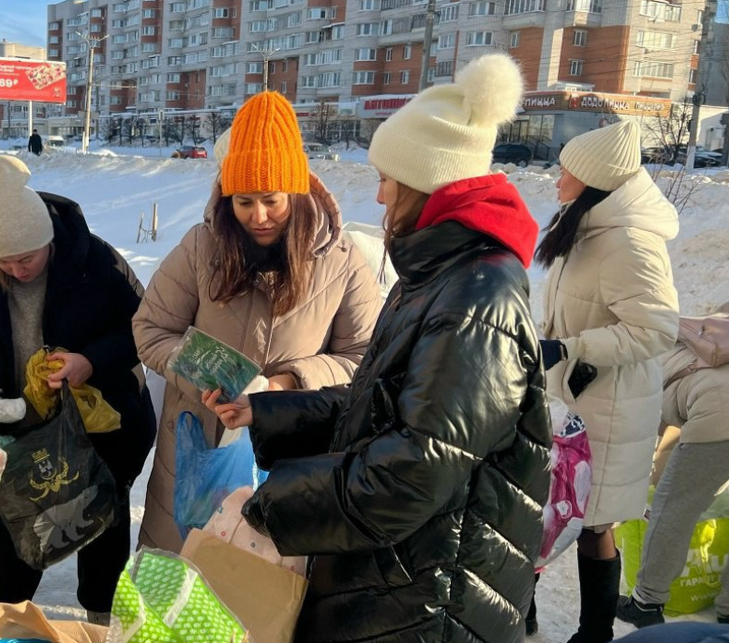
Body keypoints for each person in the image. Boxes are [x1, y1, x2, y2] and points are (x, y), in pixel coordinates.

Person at [205, 53, 551, 642]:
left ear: (425, 182)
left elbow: (415, 470)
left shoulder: (475, 297)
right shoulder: (438, 275)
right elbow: (382, 403)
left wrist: (277, 505)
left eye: (389, 178)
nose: (381, 196)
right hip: (400, 574)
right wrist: (268, 412)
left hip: (429, 599)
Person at [132, 91, 383, 553]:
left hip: (292, 455)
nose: (258, 216)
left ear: (296, 190)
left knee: (262, 591)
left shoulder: (342, 260)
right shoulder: (201, 246)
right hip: (197, 445)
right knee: (178, 581)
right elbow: (150, 329)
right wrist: (204, 378)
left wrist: (284, 384)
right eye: (243, 201)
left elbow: (364, 357)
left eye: (271, 199)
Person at [0, 155, 155, 624]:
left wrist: (89, 361)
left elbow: (145, 329)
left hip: (103, 422)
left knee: (100, 518)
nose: (18, 270)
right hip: (21, 426)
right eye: (6, 261)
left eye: (28, 258)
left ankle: (100, 618)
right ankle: (4, 617)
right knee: (23, 524)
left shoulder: (94, 259)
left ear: (49, 241)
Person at [537, 118, 680, 643]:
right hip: (576, 398)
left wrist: (572, 349)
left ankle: (594, 633)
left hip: (609, 407)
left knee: (594, 522)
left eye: (567, 170)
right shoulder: (589, 225)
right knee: (550, 507)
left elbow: (656, 329)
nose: (557, 178)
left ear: (595, 180)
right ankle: (525, 610)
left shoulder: (630, 243)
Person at [616, 296, 729, 630]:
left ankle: (646, 602)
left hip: (725, 406)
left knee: (675, 504)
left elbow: (644, 444)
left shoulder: (648, 366)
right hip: (726, 402)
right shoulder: (717, 332)